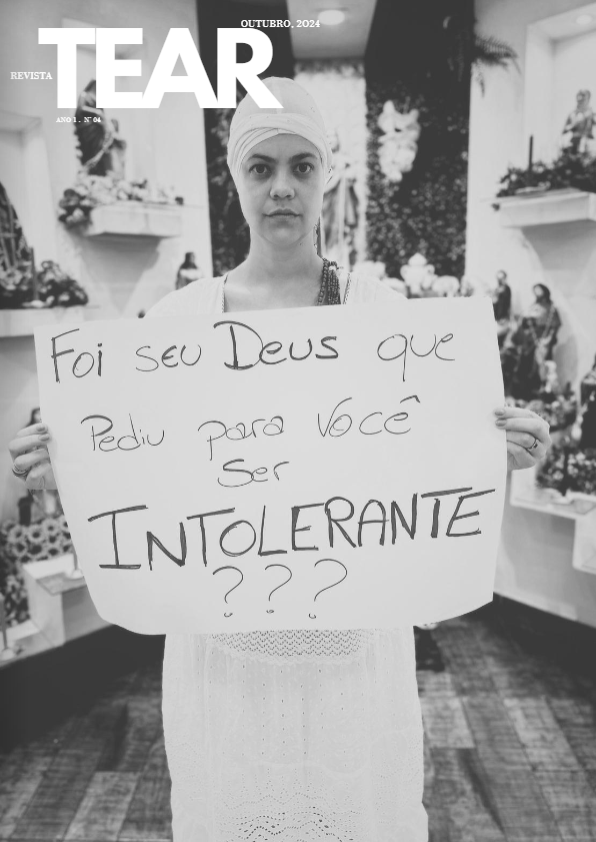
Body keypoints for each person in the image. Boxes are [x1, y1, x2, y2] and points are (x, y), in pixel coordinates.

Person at [8, 77, 552, 841]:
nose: (283, 188)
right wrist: (70, 466)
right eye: (261, 168)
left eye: (302, 166)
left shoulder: (382, 316)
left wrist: (496, 450)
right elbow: (148, 469)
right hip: (227, 666)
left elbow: (424, 460)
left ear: (327, 173)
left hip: (352, 663)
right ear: (235, 180)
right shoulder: (179, 323)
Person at [501, 282, 561, 401]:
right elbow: (524, 320)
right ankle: (518, 393)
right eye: (535, 291)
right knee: (522, 366)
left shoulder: (551, 309)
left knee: (536, 368)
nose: (537, 294)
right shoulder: (534, 306)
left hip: (540, 342)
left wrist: (547, 339)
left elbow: (554, 326)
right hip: (527, 342)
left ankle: (533, 393)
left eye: (539, 291)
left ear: (545, 292)